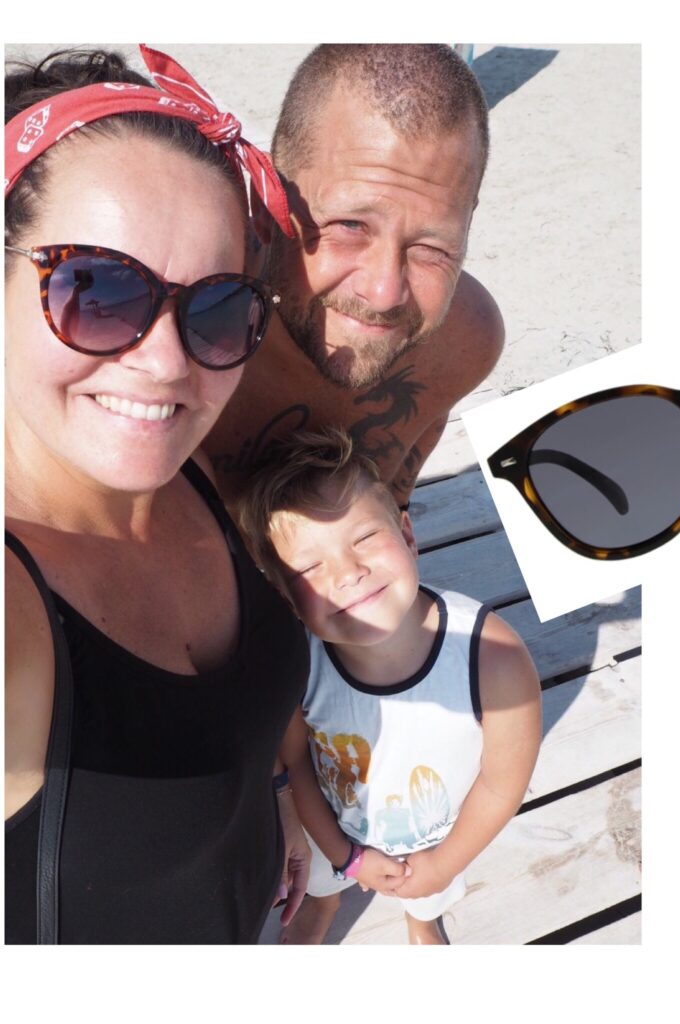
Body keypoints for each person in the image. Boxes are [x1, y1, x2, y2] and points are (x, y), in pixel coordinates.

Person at [4, 45, 310, 943]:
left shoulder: (196, 468)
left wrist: (271, 797)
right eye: (95, 289)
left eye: (217, 307)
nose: (169, 362)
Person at [238, 427, 542, 944]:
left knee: (426, 893)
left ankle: (421, 917)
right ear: (287, 598)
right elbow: (299, 766)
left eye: (363, 539)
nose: (349, 572)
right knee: (320, 877)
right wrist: (347, 857)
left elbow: (501, 783)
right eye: (309, 567)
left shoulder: (493, 658)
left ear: (407, 535)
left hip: (437, 843)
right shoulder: (299, 664)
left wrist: (441, 866)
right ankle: (325, 901)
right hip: (330, 828)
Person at [204, 44, 504, 510]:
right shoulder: (178, 325)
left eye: (431, 249)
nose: (384, 293)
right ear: (266, 203)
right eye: (349, 226)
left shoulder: (461, 343)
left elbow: (392, 518)